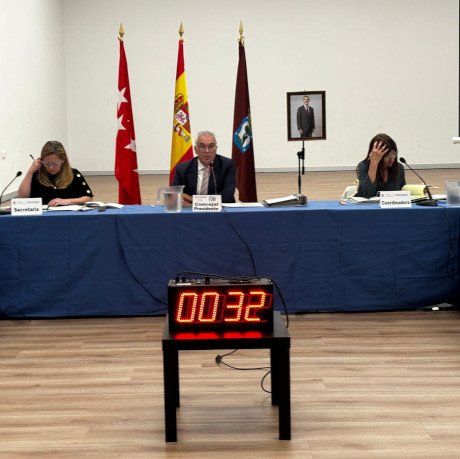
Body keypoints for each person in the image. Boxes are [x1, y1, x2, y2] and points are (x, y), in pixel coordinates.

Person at [18, 140, 93, 206]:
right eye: (47, 163)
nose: (51, 167)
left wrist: (68, 201)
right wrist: (30, 172)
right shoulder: (36, 175)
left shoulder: (74, 174)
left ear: (63, 159)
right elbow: (22, 198)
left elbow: (88, 198)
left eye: (55, 163)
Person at [172, 130, 236, 204]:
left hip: (220, 209)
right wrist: (178, 198)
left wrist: (194, 200)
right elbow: (174, 193)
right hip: (191, 210)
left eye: (211, 146)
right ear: (196, 149)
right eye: (202, 146)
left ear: (216, 149)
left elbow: (227, 196)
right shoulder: (182, 168)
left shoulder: (227, 165)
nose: (207, 151)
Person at [356, 133, 406, 198]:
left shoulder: (399, 167)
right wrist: (373, 164)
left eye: (394, 154)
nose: (392, 159)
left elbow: (403, 193)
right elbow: (365, 195)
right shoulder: (364, 166)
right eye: (387, 157)